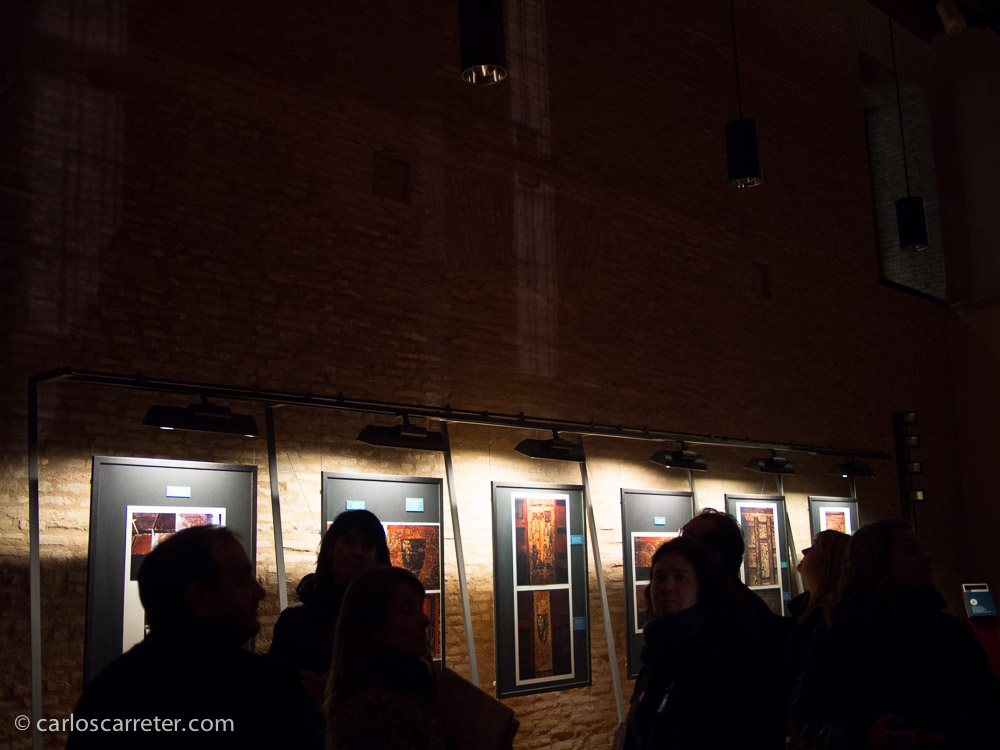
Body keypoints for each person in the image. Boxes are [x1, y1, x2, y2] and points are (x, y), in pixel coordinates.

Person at [67, 526, 315, 750]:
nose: (260, 592)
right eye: (242, 579)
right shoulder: (267, 691)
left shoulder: (110, 695)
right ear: (200, 598)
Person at [789, 520, 999, 749]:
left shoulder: (950, 632)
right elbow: (804, 720)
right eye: (910, 549)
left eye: (920, 547)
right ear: (875, 562)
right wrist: (861, 737)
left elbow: (986, 709)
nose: (926, 556)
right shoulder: (837, 636)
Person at [619, 536, 763, 750]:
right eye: (660, 578)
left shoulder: (721, 656)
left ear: (702, 587)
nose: (667, 587)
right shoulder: (659, 649)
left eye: (680, 577)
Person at [270, 509, 390, 709]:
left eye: (367, 545)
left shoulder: (387, 619)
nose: (358, 552)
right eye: (348, 541)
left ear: (377, 557)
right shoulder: (294, 622)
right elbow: (276, 685)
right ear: (330, 550)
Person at [325, 566, 444, 750]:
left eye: (420, 607)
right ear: (372, 624)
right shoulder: (375, 711)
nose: (424, 620)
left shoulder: (409, 684)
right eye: (407, 611)